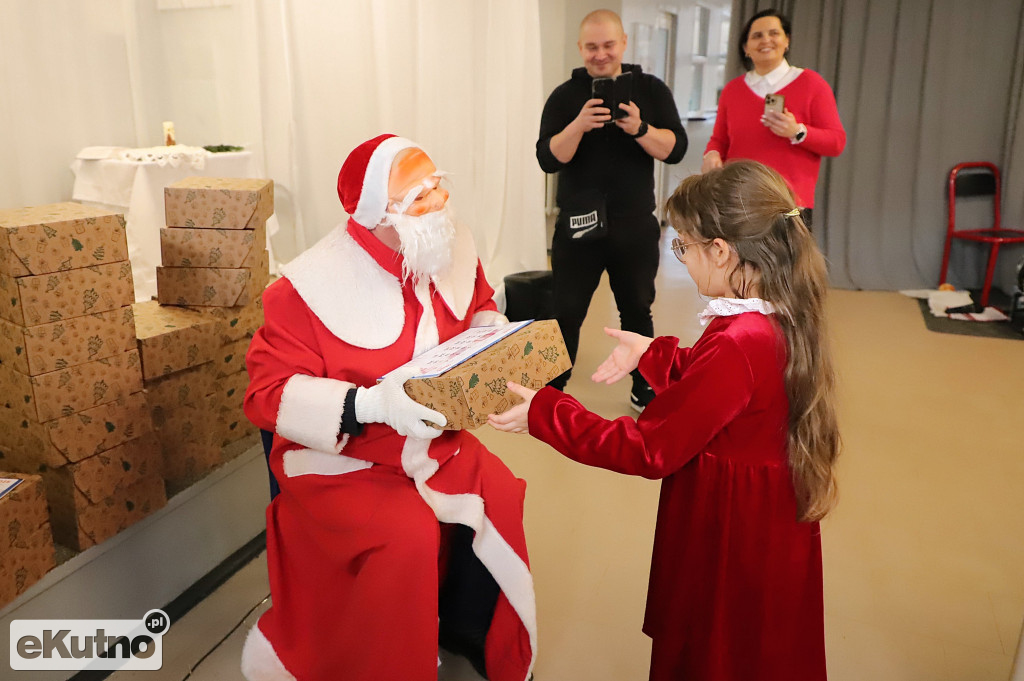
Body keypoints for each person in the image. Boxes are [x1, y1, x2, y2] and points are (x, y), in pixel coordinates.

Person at [490, 160, 840, 681]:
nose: (682, 259)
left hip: (730, 527)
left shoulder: (740, 341)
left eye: (683, 247)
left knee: (715, 643)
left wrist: (547, 411)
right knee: (756, 640)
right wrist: (652, 353)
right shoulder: (773, 313)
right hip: (764, 513)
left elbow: (649, 449)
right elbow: (723, 385)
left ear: (720, 251)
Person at [241, 134, 536, 681]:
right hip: (343, 462)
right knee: (405, 538)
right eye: (418, 197)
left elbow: (476, 301)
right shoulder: (302, 289)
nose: (439, 203)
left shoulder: (447, 244)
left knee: (502, 490)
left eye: (437, 186)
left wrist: (489, 334)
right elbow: (265, 395)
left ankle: (470, 634)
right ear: (378, 211)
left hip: (434, 444)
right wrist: (367, 404)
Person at [537, 9, 687, 412]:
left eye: (608, 45)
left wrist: (640, 129)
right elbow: (548, 159)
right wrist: (579, 125)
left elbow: (676, 150)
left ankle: (645, 384)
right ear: (580, 49)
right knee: (565, 310)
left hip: (634, 225)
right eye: (591, 47)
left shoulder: (651, 90)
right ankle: (553, 387)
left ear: (623, 43)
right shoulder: (565, 96)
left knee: (637, 308)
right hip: (577, 224)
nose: (600, 55)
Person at [702, 8, 845, 227]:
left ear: (786, 41)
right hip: (738, 202)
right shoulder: (732, 90)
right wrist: (712, 154)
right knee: (739, 262)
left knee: (785, 260)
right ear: (745, 48)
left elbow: (836, 142)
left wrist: (797, 131)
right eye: (757, 36)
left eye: (774, 33)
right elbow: (719, 140)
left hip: (790, 206)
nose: (766, 40)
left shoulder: (811, 84)